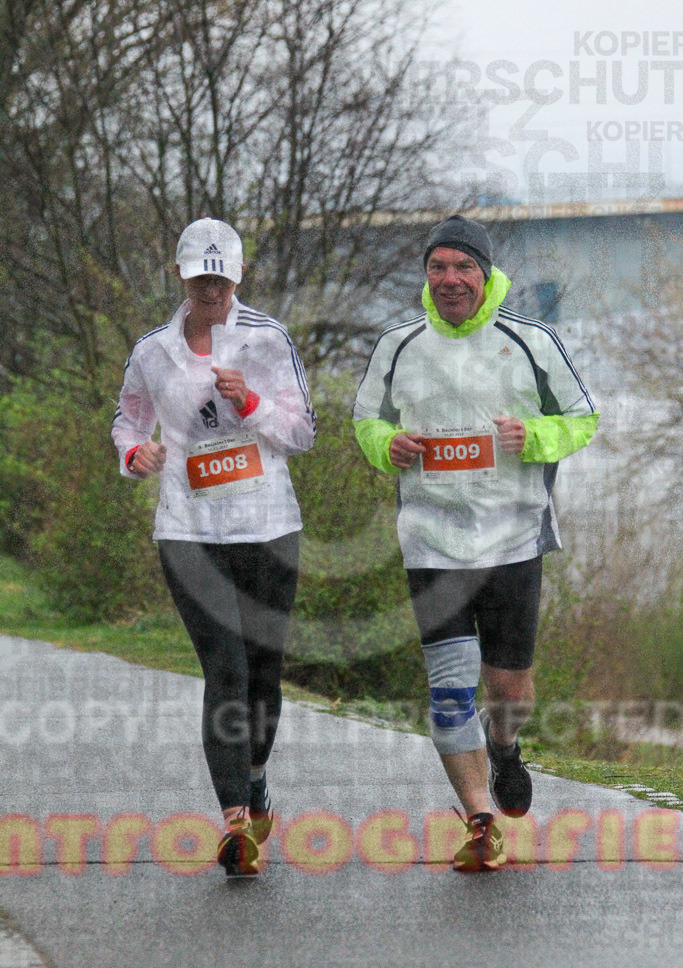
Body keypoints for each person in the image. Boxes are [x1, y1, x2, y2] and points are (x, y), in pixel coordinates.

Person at [353, 214, 599, 871]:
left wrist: (536, 437)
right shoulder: (398, 346)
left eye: (462, 267)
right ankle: (477, 818)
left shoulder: (529, 342)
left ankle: (505, 746)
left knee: (508, 685)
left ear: (485, 275)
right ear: (425, 277)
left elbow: (582, 417)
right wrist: (386, 446)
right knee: (448, 684)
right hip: (431, 541)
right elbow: (363, 421)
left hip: (513, 538)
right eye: (438, 268)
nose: (450, 279)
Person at [112, 217, 316, 876]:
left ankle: (254, 780)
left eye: (220, 279)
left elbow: (301, 431)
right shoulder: (151, 350)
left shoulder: (267, 338)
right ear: (180, 275)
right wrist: (132, 453)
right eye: (200, 279)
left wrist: (251, 400)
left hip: (266, 526)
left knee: (262, 671)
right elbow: (127, 418)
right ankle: (234, 822)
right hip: (187, 529)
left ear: (237, 276)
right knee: (224, 669)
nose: (211, 291)